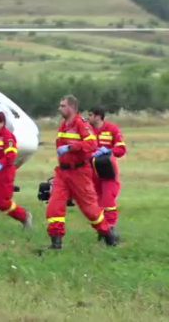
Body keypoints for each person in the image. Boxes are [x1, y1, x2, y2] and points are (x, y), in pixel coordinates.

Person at [46, 95, 120, 249]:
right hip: (62, 172)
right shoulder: (63, 124)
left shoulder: (81, 123)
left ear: (71, 107)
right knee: (54, 206)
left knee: (90, 209)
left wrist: (71, 148)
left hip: (79, 172)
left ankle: (107, 233)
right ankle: (56, 242)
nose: (59, 108)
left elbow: (91, 143)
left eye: (63, 106)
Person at [87, 106, 127, 239]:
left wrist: (109, 151)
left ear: (98, 116)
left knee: (108, 201)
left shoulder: (112, 129)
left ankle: (110, 230)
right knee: (96, 203)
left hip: (107, 171)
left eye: (90, 115)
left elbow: (121, 149)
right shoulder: (86, 130)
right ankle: (102, 230)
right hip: (91, 172)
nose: (88, 118)